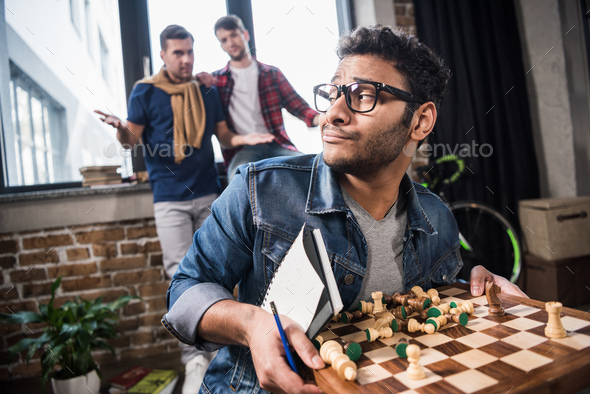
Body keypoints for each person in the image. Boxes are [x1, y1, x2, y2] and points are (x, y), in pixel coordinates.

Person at [163, 25, 527, 393]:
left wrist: (476, 288)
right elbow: (184, 292)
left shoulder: (437, 218)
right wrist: (250, 323)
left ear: (420, 121)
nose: (333, 113)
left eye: (363, 96)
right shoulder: (260, 190)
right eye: (334, 93)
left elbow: (428, 307)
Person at [95, 25, 273, 394]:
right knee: (182, 277)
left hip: (210, 193)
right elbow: (132, 137)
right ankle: (193, 360)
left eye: (190, 51)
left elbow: (224, 137)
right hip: (169, 198)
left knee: (224, 274)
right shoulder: (145, 91)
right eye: (178, 53)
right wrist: (119, 129)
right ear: (163, 55)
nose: (186, 59)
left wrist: (250, 139)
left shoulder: (205, 89)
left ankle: (227, 356)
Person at [197, 14, 320, 181]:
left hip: (277, 144)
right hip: (242, 150)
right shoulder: (216, 82)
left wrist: (326, 117)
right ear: (221, 46)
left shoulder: (271, 74)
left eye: (234, 35)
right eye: (224, 40)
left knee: (313, 169)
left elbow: (302, 110)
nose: (231, 42)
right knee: (238, 181)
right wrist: (198, 79)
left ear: (245, 35)